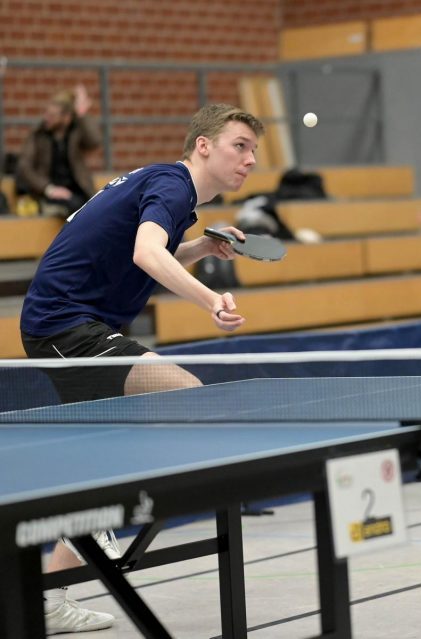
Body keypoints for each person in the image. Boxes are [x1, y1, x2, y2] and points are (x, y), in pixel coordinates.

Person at [19, 103, 264, 632]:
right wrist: (210, 300)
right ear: (203, 145)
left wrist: (202, 247)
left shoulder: (168, 191)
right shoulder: (174, 187)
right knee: (184, 392)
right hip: (64, 325)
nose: (250, 160)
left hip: (78, 325)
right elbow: (148, 255)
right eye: (239, 146)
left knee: (100, 456)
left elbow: (149, 253)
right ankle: (119, 501)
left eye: (254, 152)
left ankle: (50, 594)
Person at [16, 84, 102, 217]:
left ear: (66, 117)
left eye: (52, 116)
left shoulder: (76, 132)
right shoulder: (38, 134)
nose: (46, 118)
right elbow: (24, 167)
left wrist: (81, 115)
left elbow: (95, 141)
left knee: (97, 207)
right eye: (46, 114)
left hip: (78, 190)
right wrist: (48, 188)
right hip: (50, 191)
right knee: (77, 208)